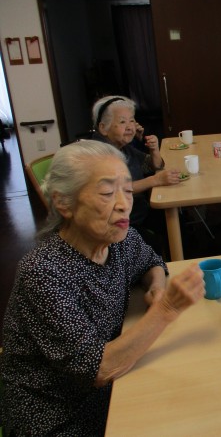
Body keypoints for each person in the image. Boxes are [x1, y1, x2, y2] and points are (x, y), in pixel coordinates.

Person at [0, 140, 205, 435]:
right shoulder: (43, 272)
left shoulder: (117, 237)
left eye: (128, 190)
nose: (123, 204)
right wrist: (166, 308)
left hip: (112, 391)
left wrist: (157, 287)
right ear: (64, 203)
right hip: (58, 416)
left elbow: (151, 261)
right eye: (108, 193)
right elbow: (98, 369)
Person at [90, 95, 182, 255]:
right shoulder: (99, 154)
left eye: (132, 120)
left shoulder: (123, 147)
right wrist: (155, 180)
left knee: (177, 220)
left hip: (138, 211)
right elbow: (117, 189)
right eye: (122, 122)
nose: (130, 126)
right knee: (156, 239)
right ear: (103, 128)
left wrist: (153, 148)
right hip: (118, 222)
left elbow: (154, 165)